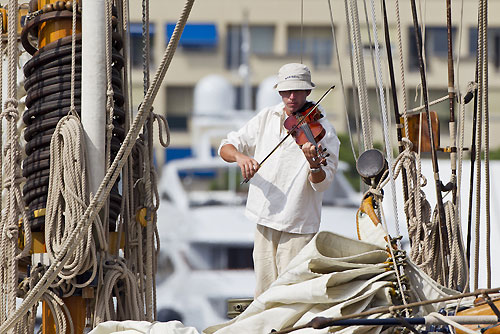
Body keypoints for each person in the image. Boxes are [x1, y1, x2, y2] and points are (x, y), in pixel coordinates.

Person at [218, 63, 340, 297]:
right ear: (279, 92)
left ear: (308, 92)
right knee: (263, 291)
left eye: (297, 91)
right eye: (286, 91)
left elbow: (323, 183)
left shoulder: (325, 131)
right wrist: (241, 158)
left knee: (290, 294)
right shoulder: (267, 116)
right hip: (264, 217)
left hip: (298, 222)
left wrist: (314, 164)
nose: (291, 97)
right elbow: (226, 147)